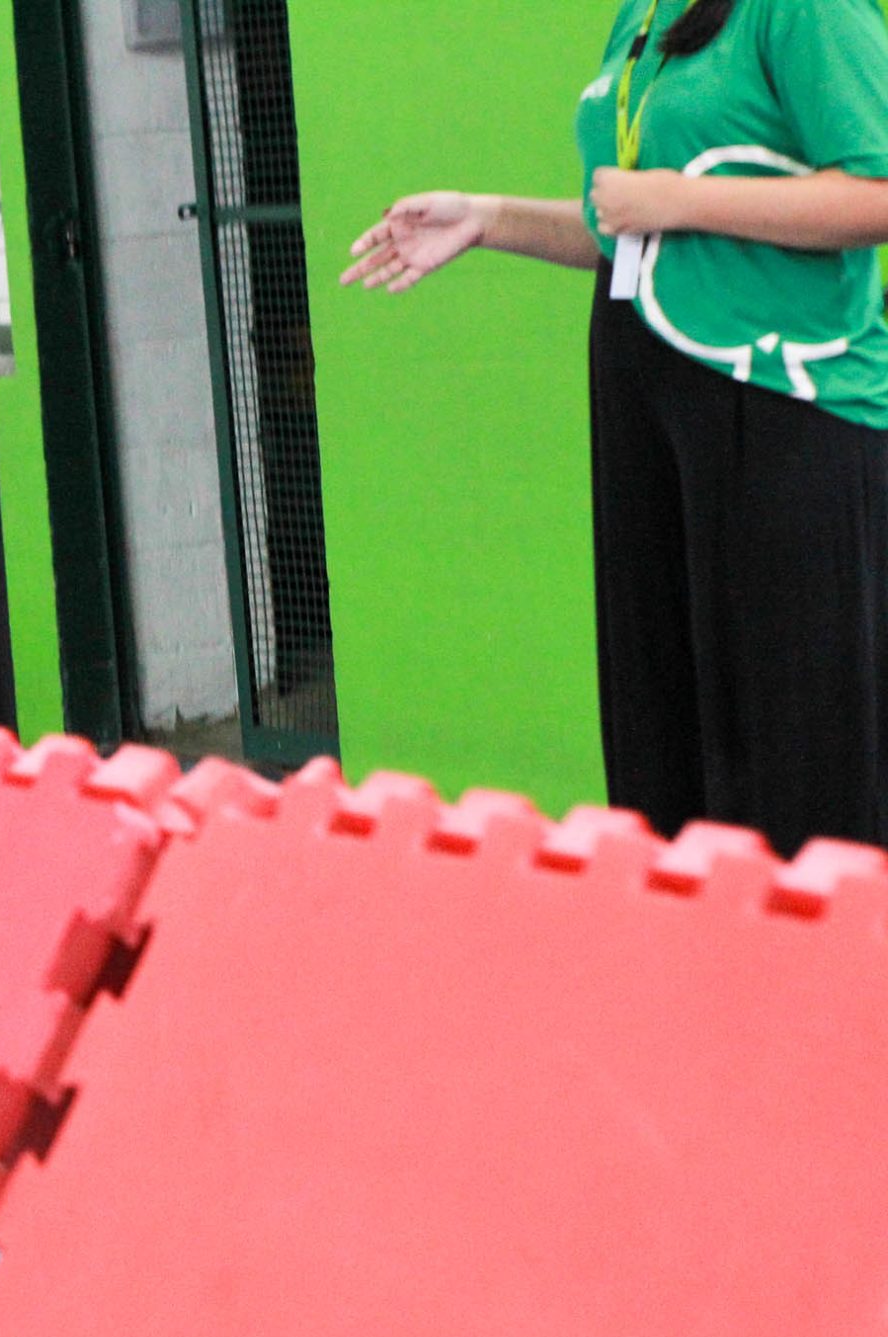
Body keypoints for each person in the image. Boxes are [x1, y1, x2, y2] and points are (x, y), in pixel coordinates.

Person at [342, 0, 888, 858]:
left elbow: (876, 190)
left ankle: (826, 947)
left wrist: (681, 198)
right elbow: (630, 230)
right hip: (651, 418)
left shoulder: (802, 10)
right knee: (664, 745)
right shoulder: (644, 14)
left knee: (796, 764)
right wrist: (487, 218)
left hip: (784, 419)